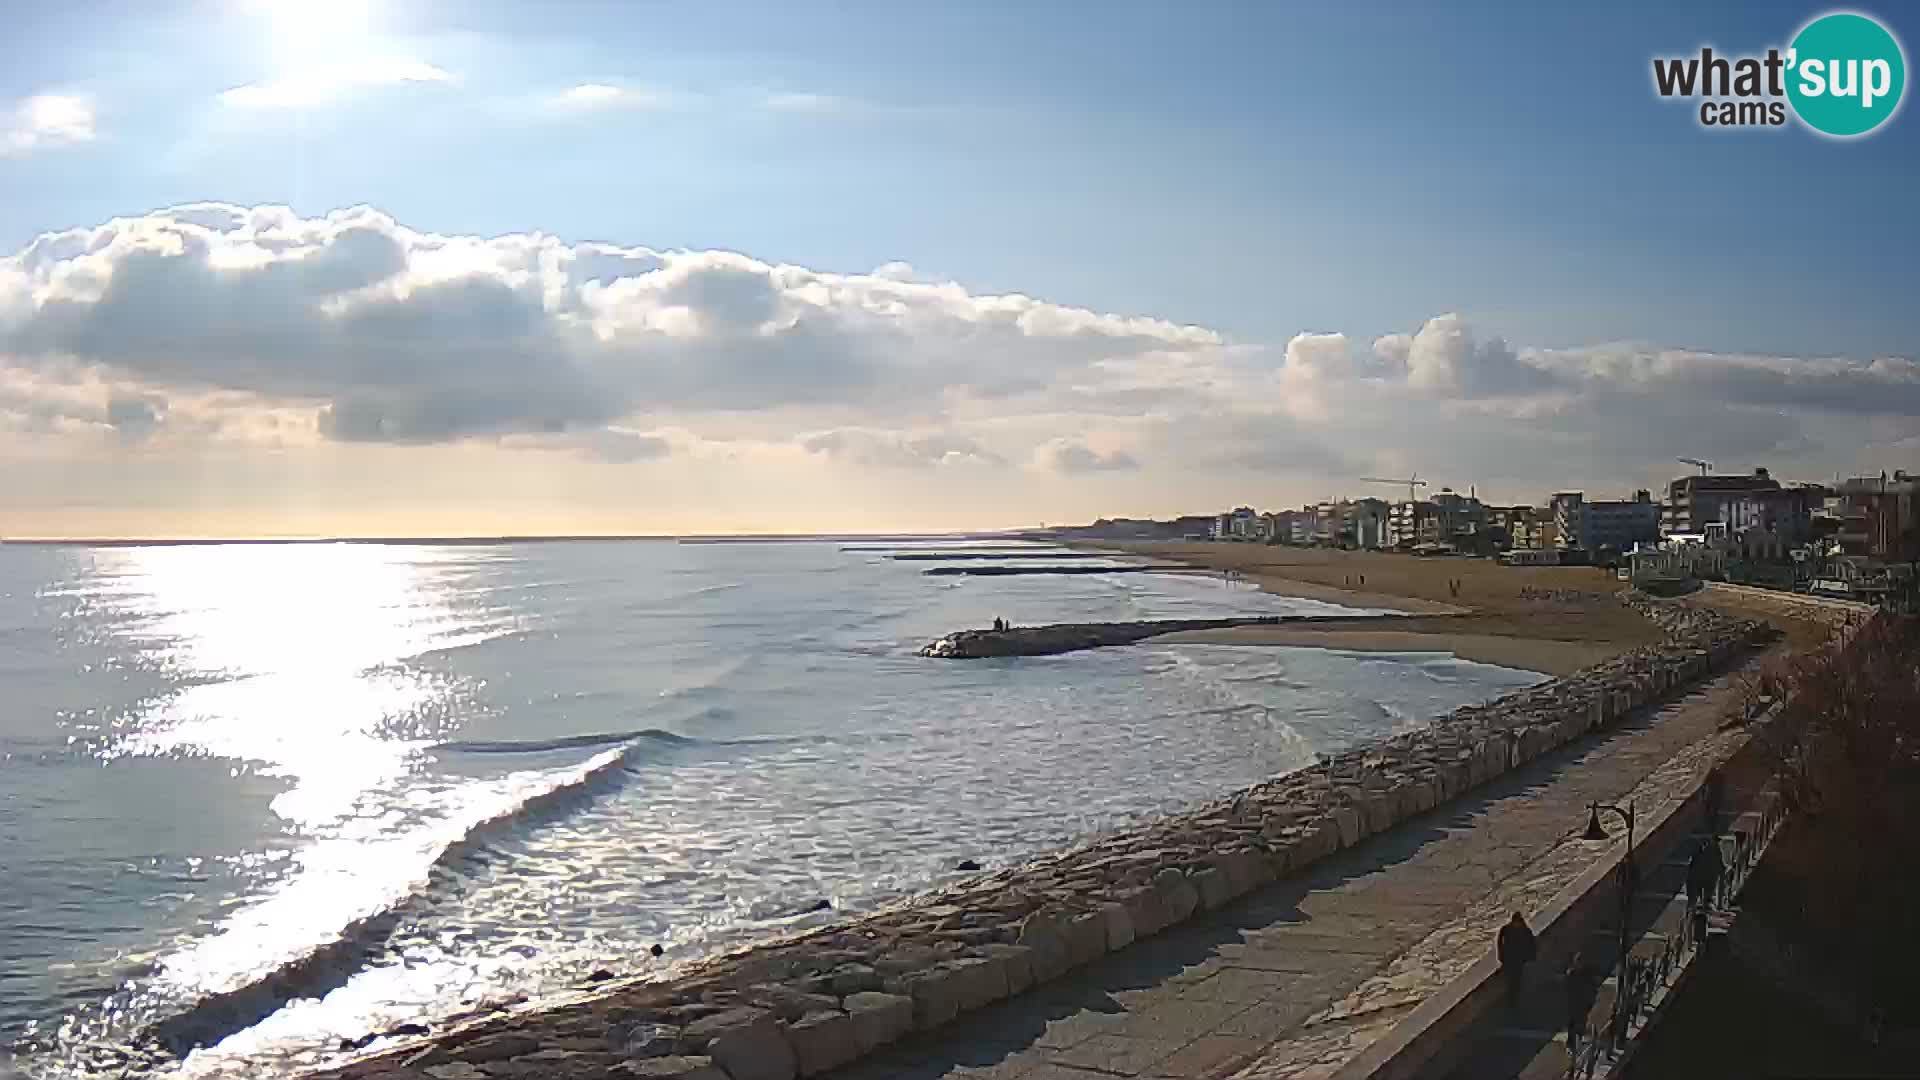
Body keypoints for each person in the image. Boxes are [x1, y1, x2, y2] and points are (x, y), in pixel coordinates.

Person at [1495, 911, 1537, 1007]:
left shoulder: (1515, 929)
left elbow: (1532, 942)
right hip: (1511, 958)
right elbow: (1499, 941)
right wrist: (1500, 954)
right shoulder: (1520, 929)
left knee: (1516, 978)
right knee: (1513, 978)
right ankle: (1513, 997)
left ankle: (1513, 997)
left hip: (1516, 958)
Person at [1564, 950, 1600, 1059]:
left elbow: (1593, 988)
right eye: (1578, 961)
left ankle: (1577, 1043)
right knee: (1572, 1024)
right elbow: (1567, 989)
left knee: (1581, 1023)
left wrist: (1591, 1000)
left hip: (1583, 1003)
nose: (1579, 964)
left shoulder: (1587, 974)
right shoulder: (1571, 973)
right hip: (1574, 1003)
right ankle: (1571, 1045)